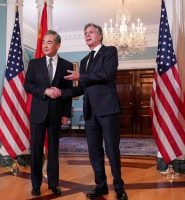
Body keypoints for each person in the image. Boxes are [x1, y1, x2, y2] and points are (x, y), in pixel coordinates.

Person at [63, 23, 128, 200]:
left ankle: (119, 187)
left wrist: (80, 76)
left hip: (108, 110)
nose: (87, 35)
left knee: (112, 149)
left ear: (100, 36)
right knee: (94, 151)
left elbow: (107, 74)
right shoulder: (84, 61)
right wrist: (61, 92)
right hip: (90, 112)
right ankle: (101, 186)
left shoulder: (110, 51)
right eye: (85, 33)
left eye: (91, 32)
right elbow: (82, 87)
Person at [24, 30, 73, 197]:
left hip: (56, 113)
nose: (45, 45)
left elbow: (69, 92)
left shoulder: (67, 65)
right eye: (44, 42)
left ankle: (54, 184)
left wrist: (66, 113)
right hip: (38, 113)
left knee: (53, 151)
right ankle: (36, 185)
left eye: (49, 42)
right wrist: (45, 90)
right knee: (36, 151)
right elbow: (28, 85)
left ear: (57, 45)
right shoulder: (34, 64)